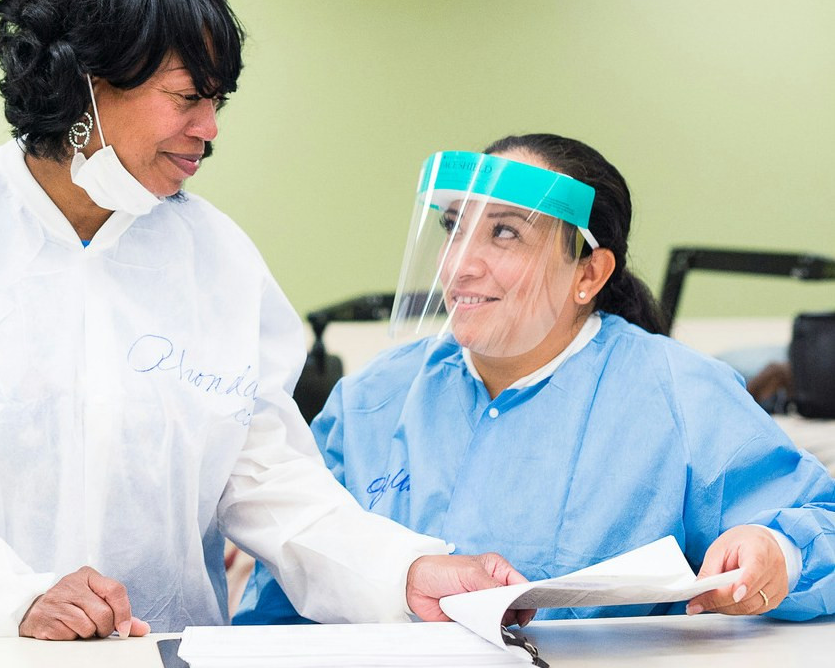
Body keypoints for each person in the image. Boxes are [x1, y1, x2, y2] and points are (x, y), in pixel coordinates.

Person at [0, 0, 530, 640]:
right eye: (187, 99)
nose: (210, 128)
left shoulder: (218, 260)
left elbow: (273, 483)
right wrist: (11, 603)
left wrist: (405, 571)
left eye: (217, 102)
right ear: (81, 83)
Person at [236, 133, 835, 625]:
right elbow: (283, 592)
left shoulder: (679, 392)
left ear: (589, 273)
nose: (460, 265)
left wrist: (776, 551)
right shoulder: (374, 399)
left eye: (504, 232)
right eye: (453, 228)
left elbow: (819, 521)